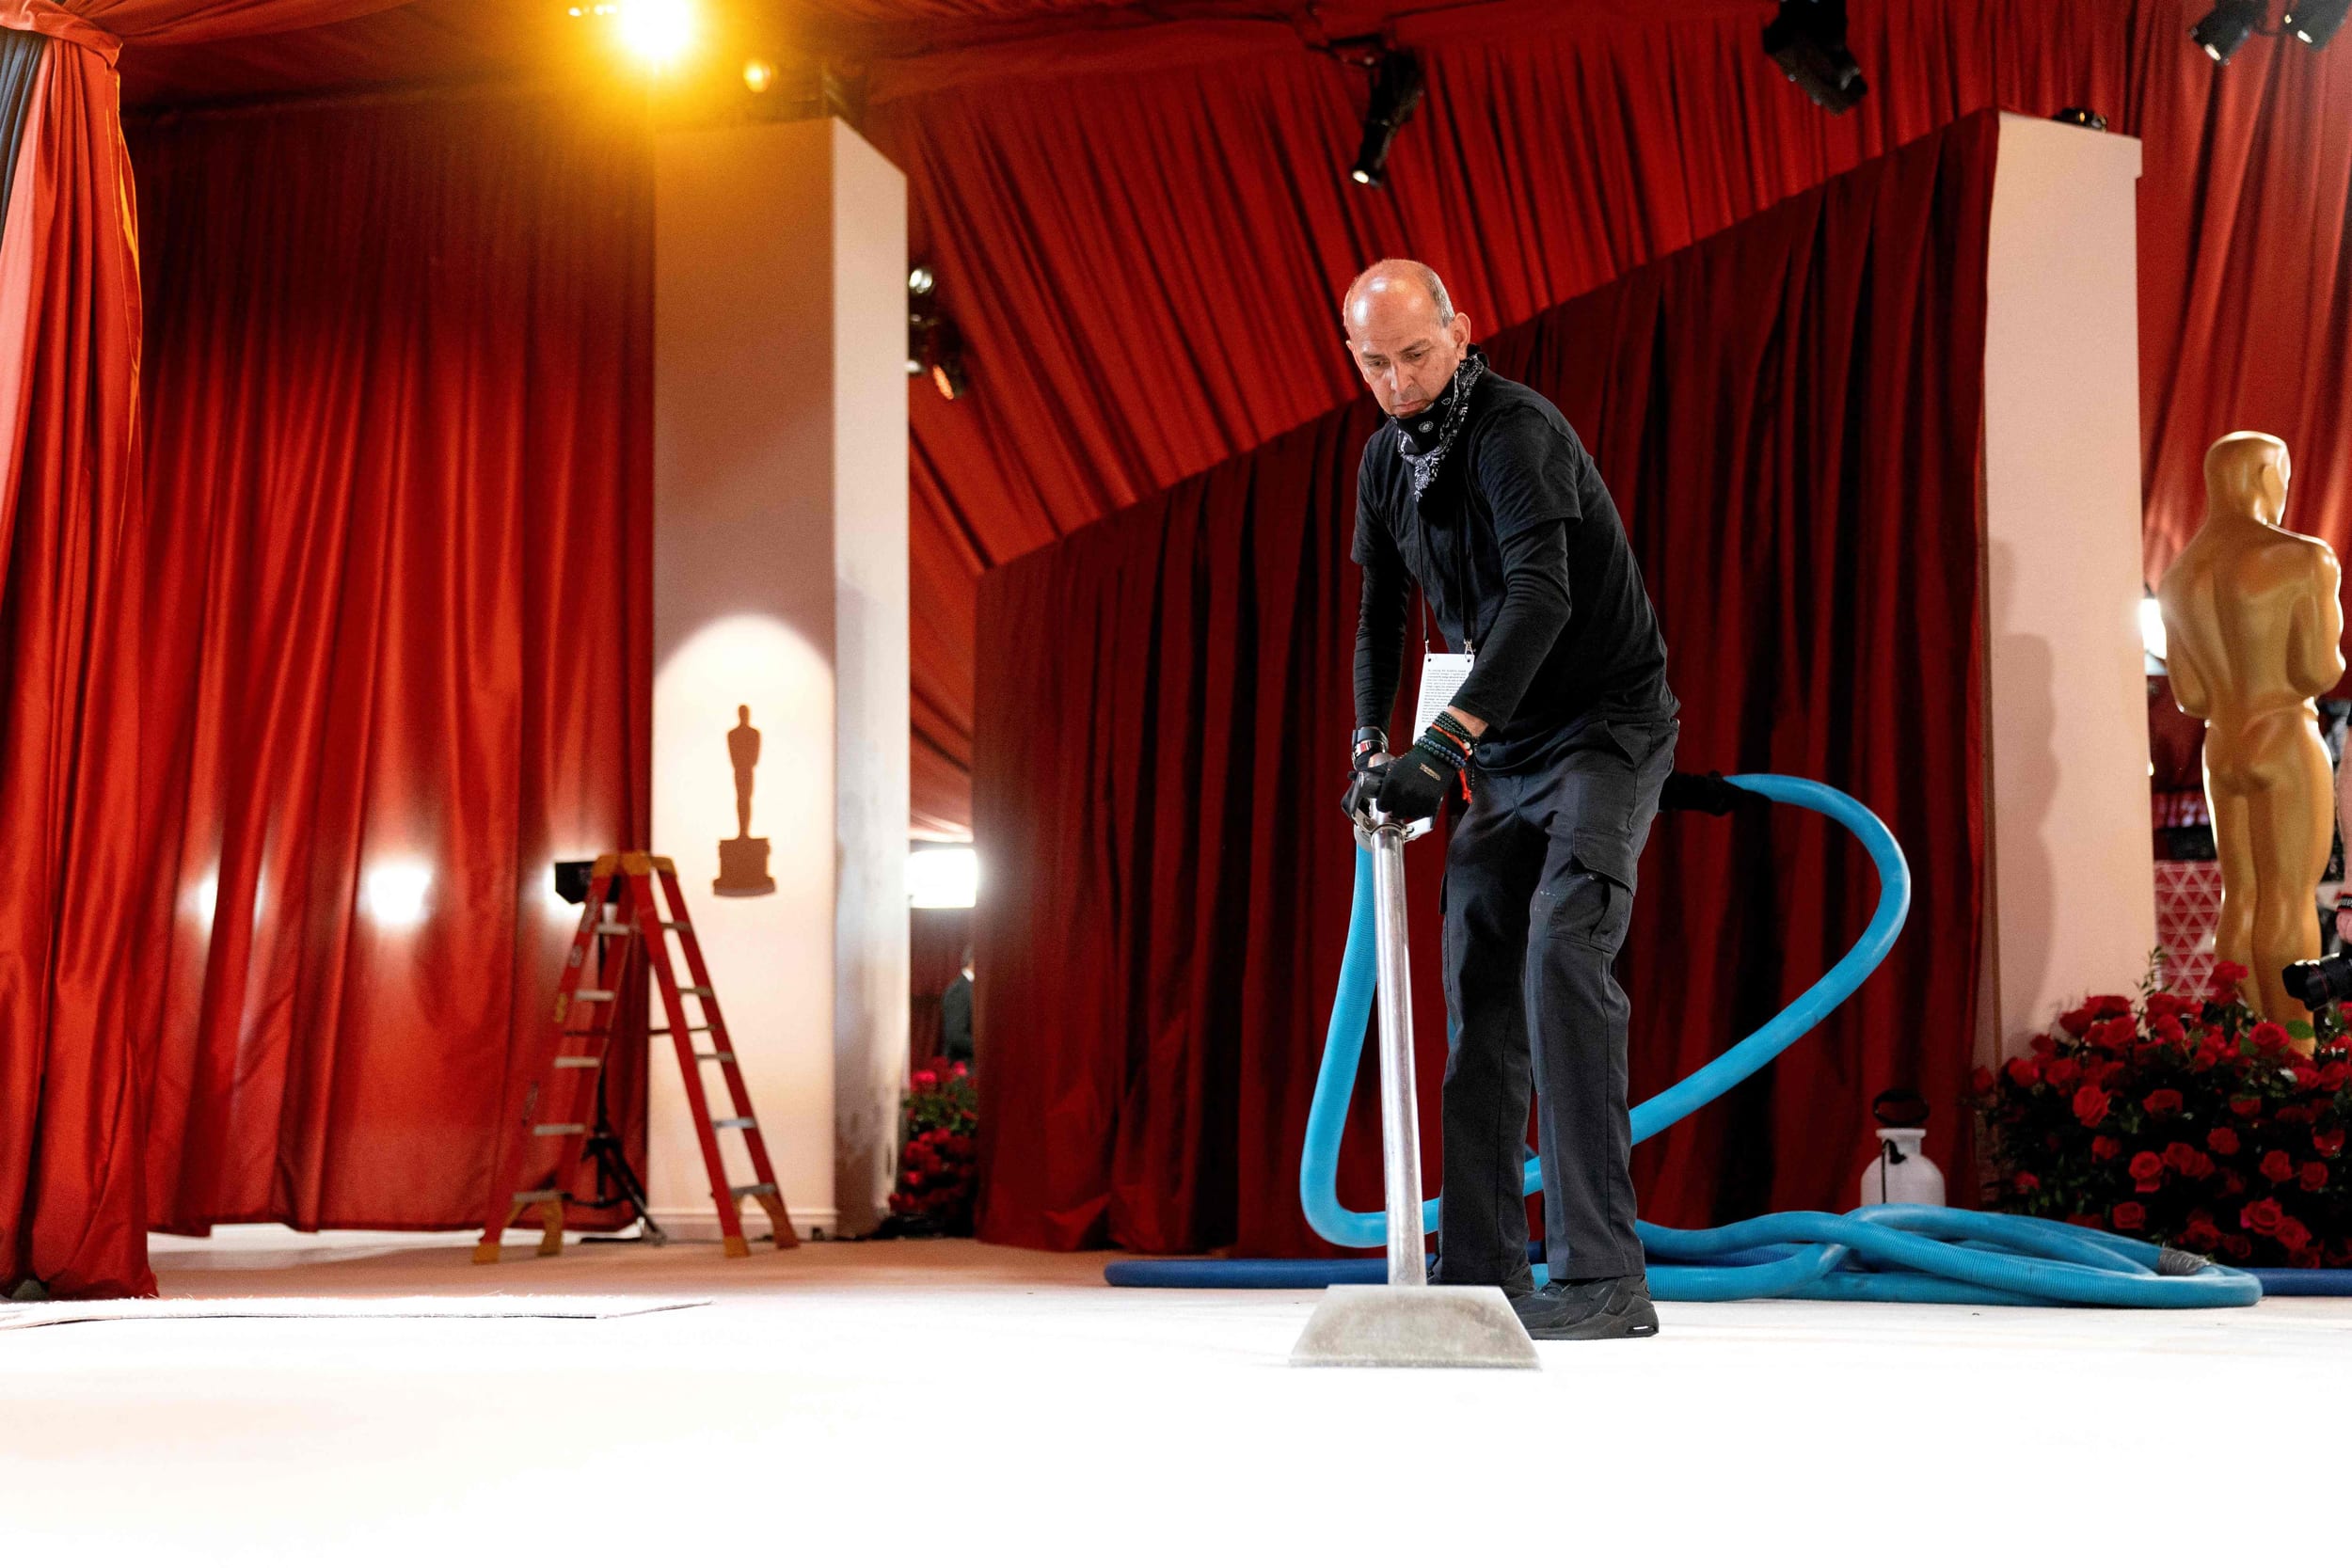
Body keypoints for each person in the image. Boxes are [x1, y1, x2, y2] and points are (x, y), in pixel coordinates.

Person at [1342, 260, 1677, 1341]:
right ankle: (1480, 1264)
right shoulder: (1383, 461)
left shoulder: (1515, 431)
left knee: (1561, 953)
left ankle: (1602, 1275)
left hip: (1604, 729)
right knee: (1478, 974)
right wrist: (1370, 743)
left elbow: (1541, 597)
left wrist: (1439, 749)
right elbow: (1380, 614)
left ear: (1461, 333)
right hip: (1510, 741)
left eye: (1415, 354)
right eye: (1374, 362)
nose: (1397, 380)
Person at [940, 947, 975, 1068]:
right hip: (965, 1070)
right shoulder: (958, 991)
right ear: (973, 960)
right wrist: (988, 1049)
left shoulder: (976, 989)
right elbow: (956, 1036)